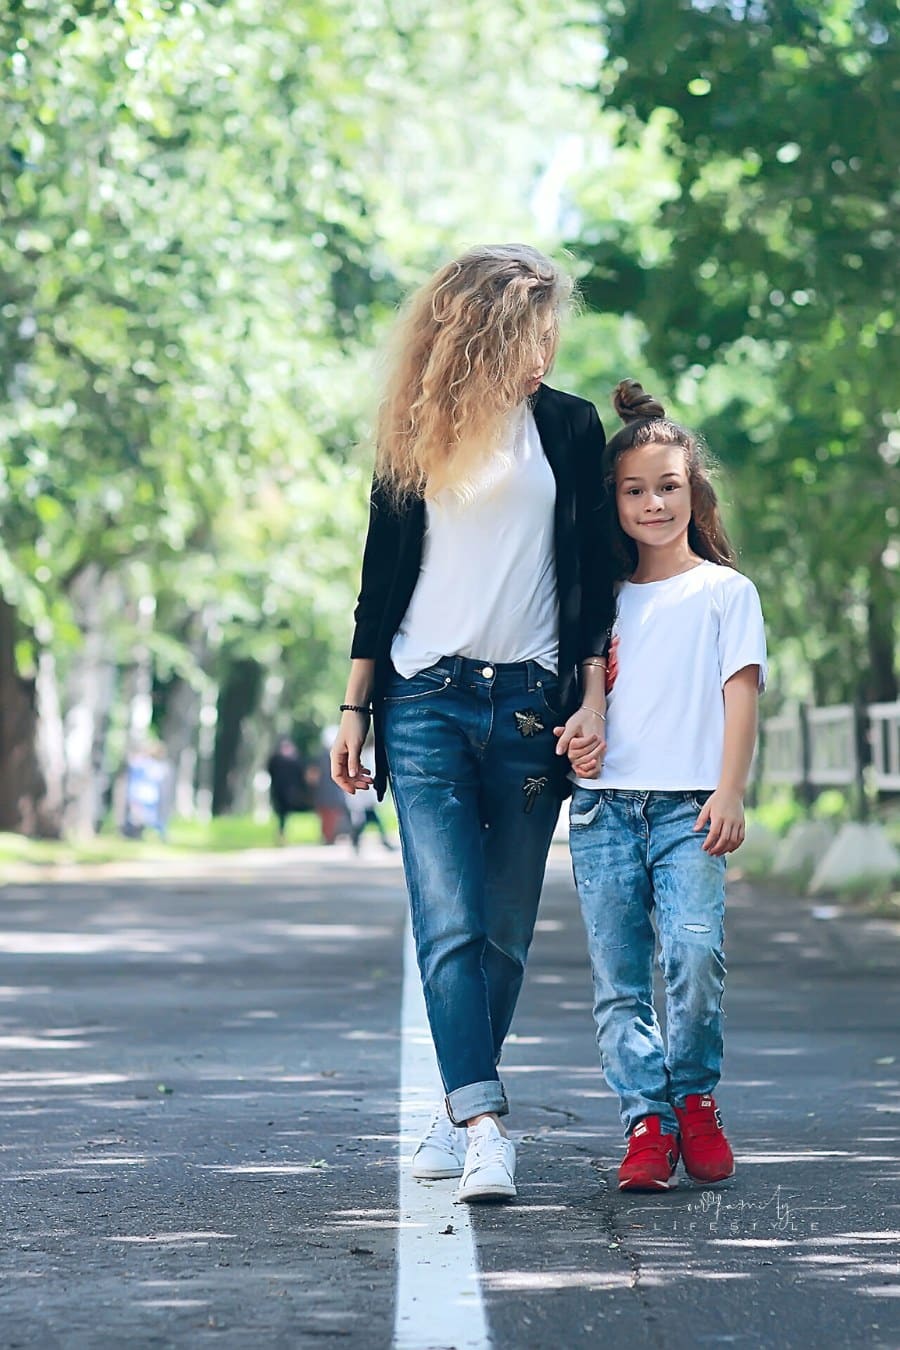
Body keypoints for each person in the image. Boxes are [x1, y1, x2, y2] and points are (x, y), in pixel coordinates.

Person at [331, 243, 616, 1203]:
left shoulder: (570, 429)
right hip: (423, 700)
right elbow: (380, 581)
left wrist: (592, 694)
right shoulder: (416, 429)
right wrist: (354, 708)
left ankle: (457, 1103)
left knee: (504, 931)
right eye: (538, 323)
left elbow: (591, 578)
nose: (551, 343)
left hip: (533, 705)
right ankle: (488, 1124)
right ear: (491, 325)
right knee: (447, 920)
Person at [566, 379, 766, 1192]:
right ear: (613, 501)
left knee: (693, 957)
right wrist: (582, 729)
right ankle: (645, 1124)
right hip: (605, 810)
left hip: (690, 809)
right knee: (619, 981)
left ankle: (695, 1101)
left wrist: (730, 790)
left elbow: (740, 694)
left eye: (669, 487)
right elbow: (590, 697)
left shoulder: (725, 591)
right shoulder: (600, 600)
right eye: (635, 490)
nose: (654, 504)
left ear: (695, 491)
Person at [265, 737, 307, 843]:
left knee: (285, 814)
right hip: (278, 791)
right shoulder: (276, 760)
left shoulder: (294, 761)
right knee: (281, 814)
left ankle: (282, 834)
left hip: (290, 792)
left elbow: (300, 775)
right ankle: (281, 834)